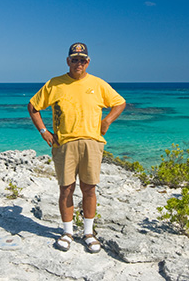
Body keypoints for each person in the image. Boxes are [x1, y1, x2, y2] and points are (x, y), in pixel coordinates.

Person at [27, 42, 126, 253]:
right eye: (74, 59)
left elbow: (119, 103)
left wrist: (107, 121)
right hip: (64, 144)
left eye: (82, 59)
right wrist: (44, 131)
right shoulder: (55, 84)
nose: (78, 63)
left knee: (89, 189)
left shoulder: (98, 84)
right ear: (68, 61)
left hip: (92, 143)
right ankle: (67, 232)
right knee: (66, 188)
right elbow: (33, 106)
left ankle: (89, 233)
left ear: (88, 62)